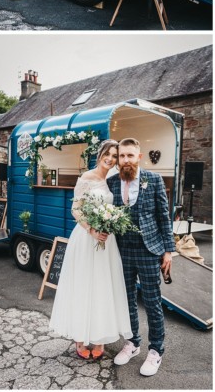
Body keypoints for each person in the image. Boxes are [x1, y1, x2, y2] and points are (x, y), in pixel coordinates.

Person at [49, 140, 131, 360]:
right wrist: (92, 230)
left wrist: (111, 224)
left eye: (115, 156)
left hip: (107, 241)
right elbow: (75, 209)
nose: (111, 159)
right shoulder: (86, 178)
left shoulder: (114, 180)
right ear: (101, 153)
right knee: (84, 285)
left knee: (102, 286)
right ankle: (80, 337)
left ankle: (98, 337)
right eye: (108, 154)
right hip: (87, 238)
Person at [107, 138, 175, 377]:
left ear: (139, 156)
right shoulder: (112, 182)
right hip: (122, 250)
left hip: (149, 250)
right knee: (126, 301)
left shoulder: (154, 180)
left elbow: (163, 217)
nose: (125, 160)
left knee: (152, 303)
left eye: (130, 155)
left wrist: (169, 250)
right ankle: (132, 343)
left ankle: (156, 350)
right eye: (122, 156)